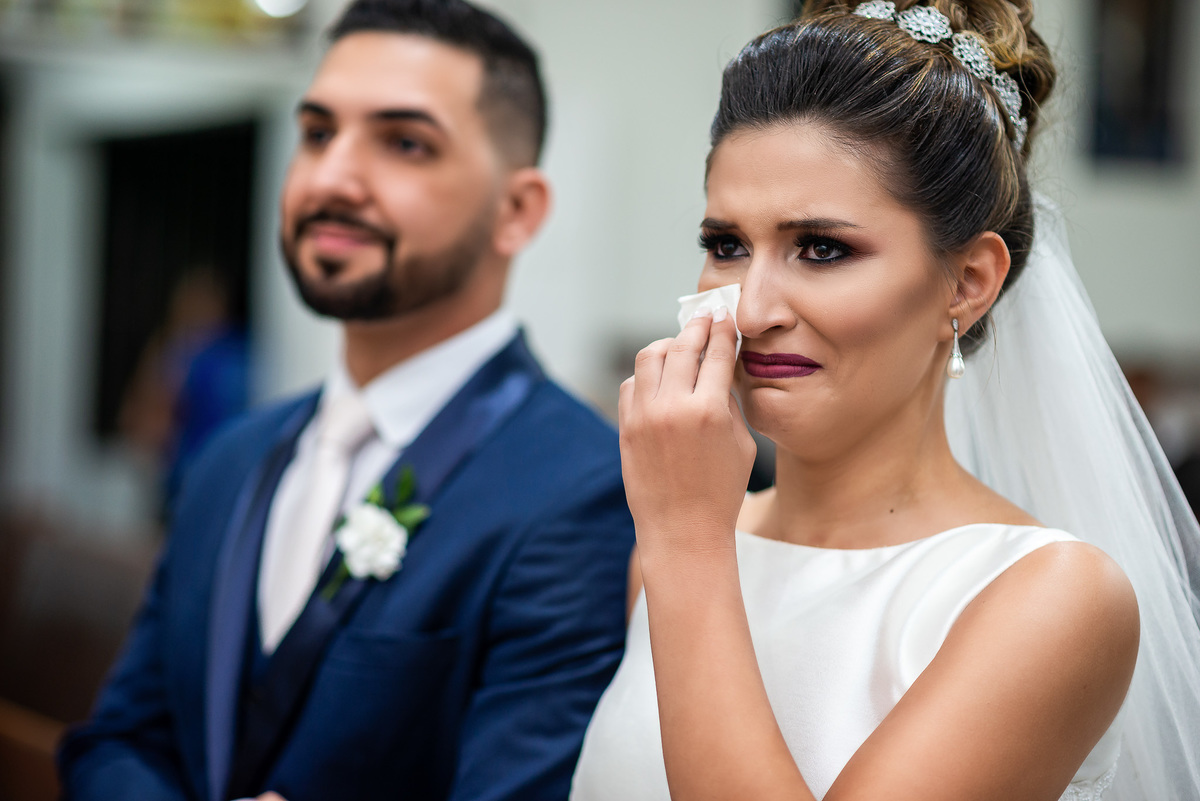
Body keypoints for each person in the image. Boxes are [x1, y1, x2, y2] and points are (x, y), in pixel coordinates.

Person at [570, 1, 1200, 800]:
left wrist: (688, 543)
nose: (753, 306)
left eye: (822, 248)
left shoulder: (1053, 598)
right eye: (726, 245)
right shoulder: (676, 544)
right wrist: (686, 539)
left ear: (967, 283)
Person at [59, 2, 635, 800]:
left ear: (517, 209)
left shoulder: (586, 489)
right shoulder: (232, 457)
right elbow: (119, 738)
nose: (331, 177)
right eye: (318, 132)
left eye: (405, 142)